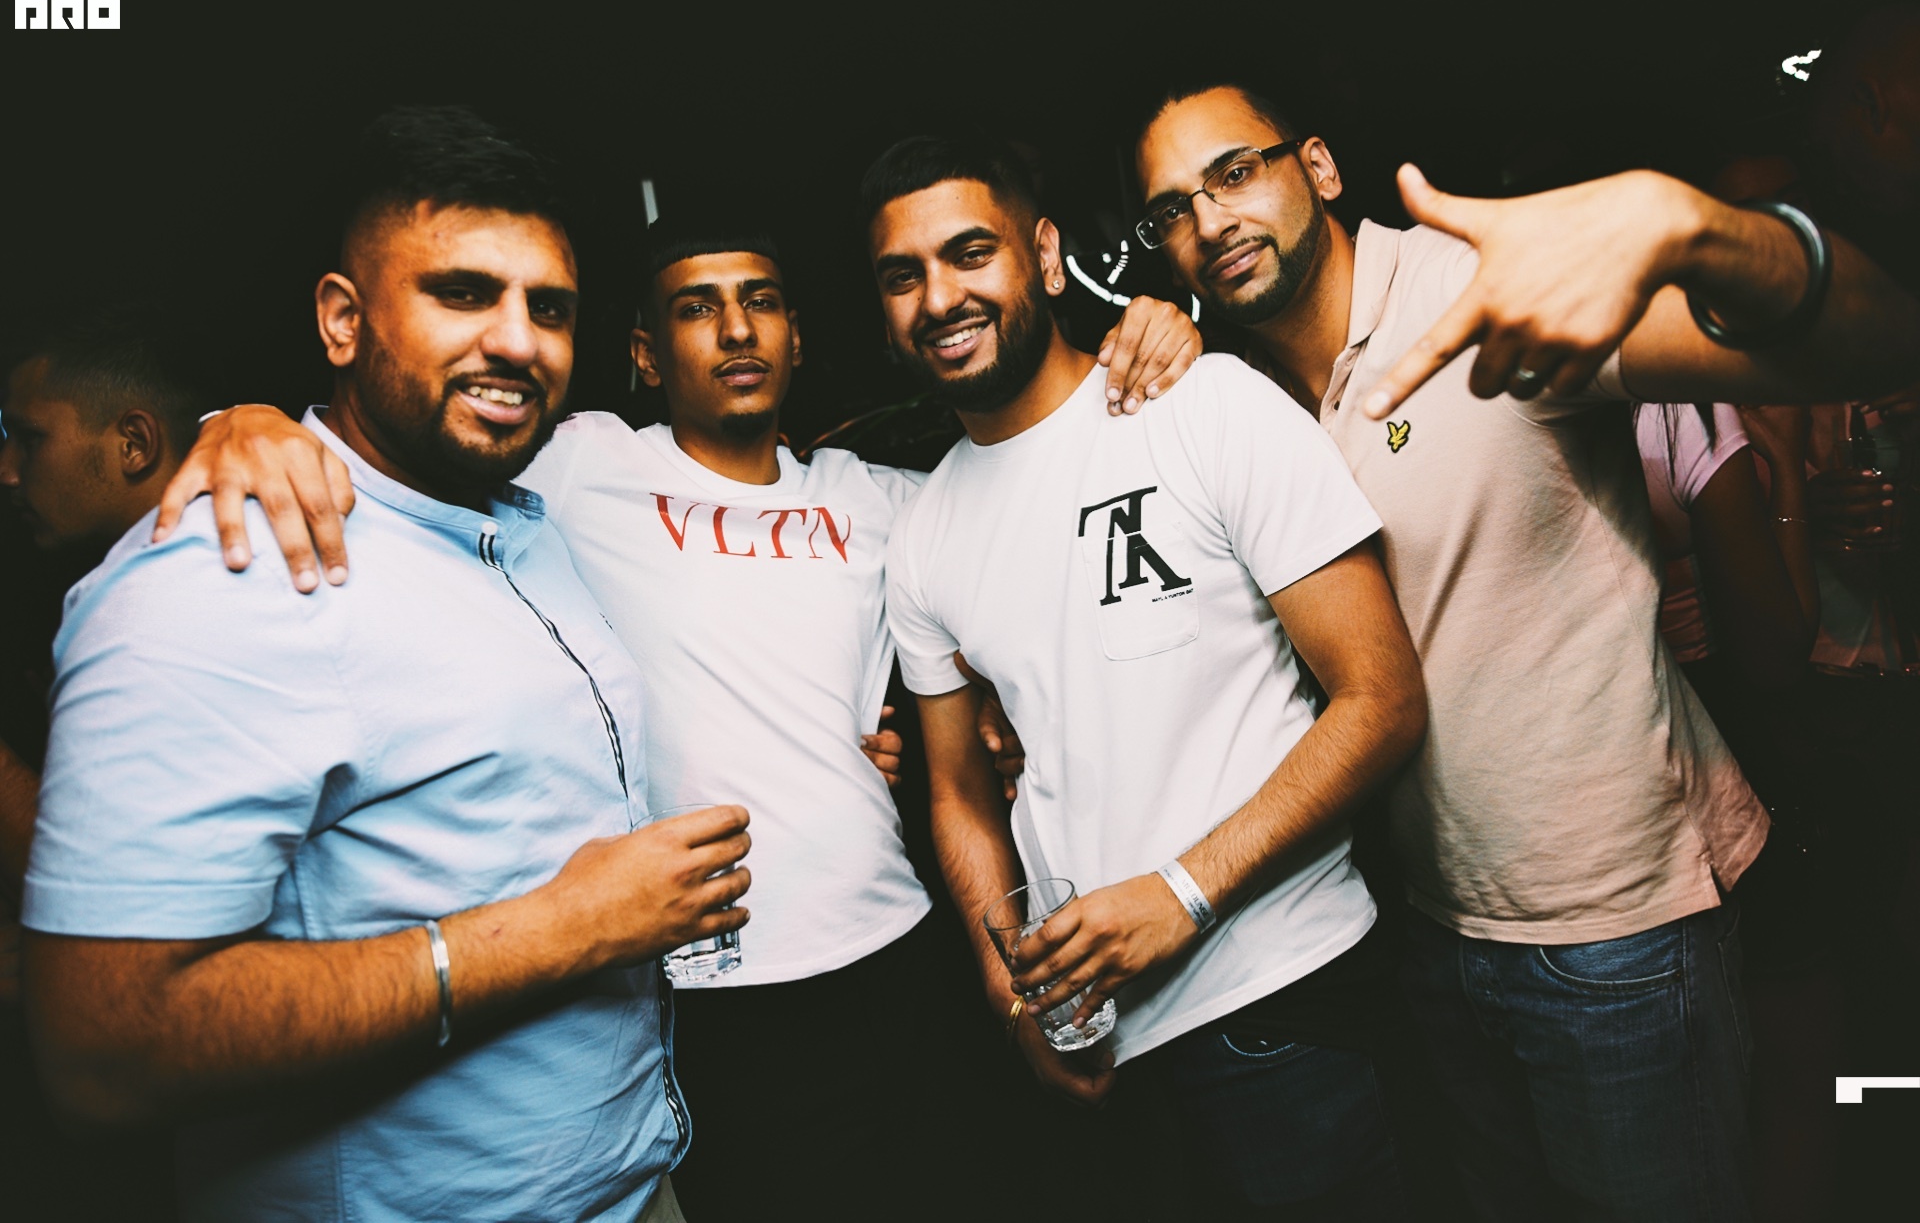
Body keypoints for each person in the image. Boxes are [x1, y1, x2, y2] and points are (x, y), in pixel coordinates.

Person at [147, 205, 1205, 1218]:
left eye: (761, 302)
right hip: (706, 987)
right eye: (699, 308)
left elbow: (1034, 505)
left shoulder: (883, 498)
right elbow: (403, 441)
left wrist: (1149, 339)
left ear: (798, 339)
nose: (737, 330)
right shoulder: (577, 464)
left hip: (899, 950)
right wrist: (244, 421)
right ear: (647, 355)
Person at [1128, 79, 1920, 1221]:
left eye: (1235, 172)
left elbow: (1871, 338)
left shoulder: (1476, 297)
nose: (1209, 222)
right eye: (1172, 210)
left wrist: (1705, 232)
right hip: (1434, 926)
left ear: (1319, 168)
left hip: (1617, 929)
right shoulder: (1239, 405)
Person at [19, 106, 753, 1223]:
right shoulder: (220, 571)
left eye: (549, 307)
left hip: (633, 1187)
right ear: (342, 320)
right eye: (462, 293)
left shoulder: (523, 522)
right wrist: (571, 926)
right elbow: (104, 1052)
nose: (519, 341)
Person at [864, 135, 1428, 1220]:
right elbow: (959, 793)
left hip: (1284, 1004)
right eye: (903, 275)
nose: (938, 298)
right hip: (1106, 1049)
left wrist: (1183, 894)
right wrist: (1010, 997)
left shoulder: (1204, 405)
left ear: (1043, 254)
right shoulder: (923, 533)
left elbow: (1383, 699)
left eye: (970, 253)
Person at [0, 305, 212, 1222]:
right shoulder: (91, 582)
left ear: (133, 444)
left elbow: (106, 903)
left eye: (29, 438)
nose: (7, 469)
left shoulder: (183, 601)